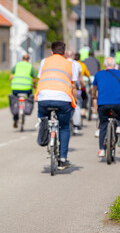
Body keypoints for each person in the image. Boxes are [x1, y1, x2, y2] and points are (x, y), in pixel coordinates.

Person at [35, 41, 78, 170]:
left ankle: (43, 133)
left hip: (43, 97)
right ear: (64, 53)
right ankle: (63, 159)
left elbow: (40, 78)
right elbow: (74, 86)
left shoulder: (44, 61)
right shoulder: (71, 64)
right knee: (64, 127)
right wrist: (74, 101)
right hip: (63, 98)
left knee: (43, 116)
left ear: (51, 52)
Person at [92, 57, 120, 157]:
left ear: (104, 65)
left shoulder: (98, 74)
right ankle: (119, 127)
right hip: (118, 103)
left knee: (103, 124)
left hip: (103, 104)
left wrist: (94, 97)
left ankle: (102, 149)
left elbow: (94, 89)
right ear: (115, 64)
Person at [9, 53, 36, 128]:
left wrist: (11, 83)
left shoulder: (17, 65)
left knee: (15, 101)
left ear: (22, 59)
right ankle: (27, 108)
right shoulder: (30, 66)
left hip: (15, 88)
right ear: (28, 60)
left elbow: (11, 76)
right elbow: (34, 79)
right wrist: (34, 85)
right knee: (30, 97)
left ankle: (15, 118)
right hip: (27, 89)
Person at [66, 50, 84, 134]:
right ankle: (76, 125)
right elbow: (80, 78)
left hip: (65, 86)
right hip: (74, 86)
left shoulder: (64, 62)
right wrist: (82, 85)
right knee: (77, 104)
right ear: (73, 56)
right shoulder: (77, 64)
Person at [75, 53, 91, 118]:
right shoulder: (82, 65)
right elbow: (87, 74)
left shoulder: (70, 63)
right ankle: (83, 112)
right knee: (85, 97)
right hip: (79, 85)